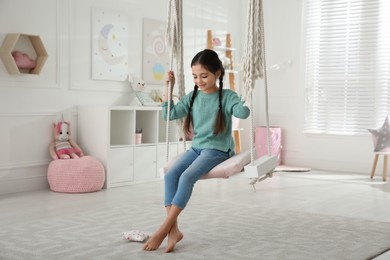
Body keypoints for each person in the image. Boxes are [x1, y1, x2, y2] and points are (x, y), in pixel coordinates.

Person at [143, 49, 250, 252]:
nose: (199, 80)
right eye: (195, 76)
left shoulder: (227, 96)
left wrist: (243, 104)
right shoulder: (192, 97)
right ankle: (174, 231)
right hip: (197, 148)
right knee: (171, 174)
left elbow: (241, 112)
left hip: (217, 150)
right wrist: (168, 88)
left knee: (186, 178)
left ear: (217, 73)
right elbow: (169, 115)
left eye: (204, 75)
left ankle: (163, 229)